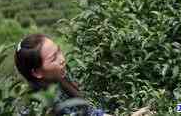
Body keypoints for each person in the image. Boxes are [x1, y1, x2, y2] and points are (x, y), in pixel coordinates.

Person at [14, 34, 152, 116]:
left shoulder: (61, 78)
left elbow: (91, 113)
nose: (61, 59)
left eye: (59, 51)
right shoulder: (37, 107)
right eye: (53, 58)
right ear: (37, 72)